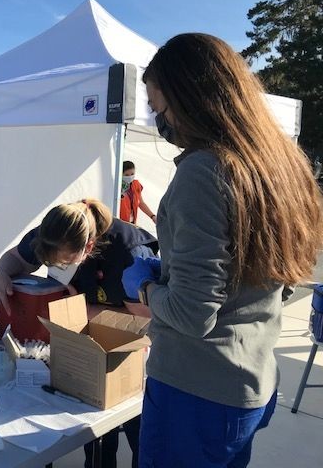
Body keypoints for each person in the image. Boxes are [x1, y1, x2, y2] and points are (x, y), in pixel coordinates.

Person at [121, 33, 323, 467]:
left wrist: (147, 289)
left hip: (194, 391)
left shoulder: (204, 171)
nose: (161, 121)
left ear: (192, 98)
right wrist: (180, 271)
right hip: (249, 380)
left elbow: (194, 315)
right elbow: (282, 273)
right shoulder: (277, 166)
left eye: (160, 108)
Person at [0, 199, 157, 468]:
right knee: (94, 433)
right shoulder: (52, 234)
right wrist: (1, 273)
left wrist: (86, 310)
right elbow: (14, 258)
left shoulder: (129, 254)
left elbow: (148, 320)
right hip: (84, 342)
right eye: (50, 262)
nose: (57, 266)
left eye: (64, 262)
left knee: (139, 431)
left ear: (88, 248)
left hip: (132, 351)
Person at [119, 160, 156, 224]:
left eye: (132, 174)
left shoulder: (136, 184)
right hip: (120, 223)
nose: (130, 177)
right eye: (126, 175)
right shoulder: (116, 187)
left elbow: (141, 203)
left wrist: (152, 216)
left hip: (132, 223)